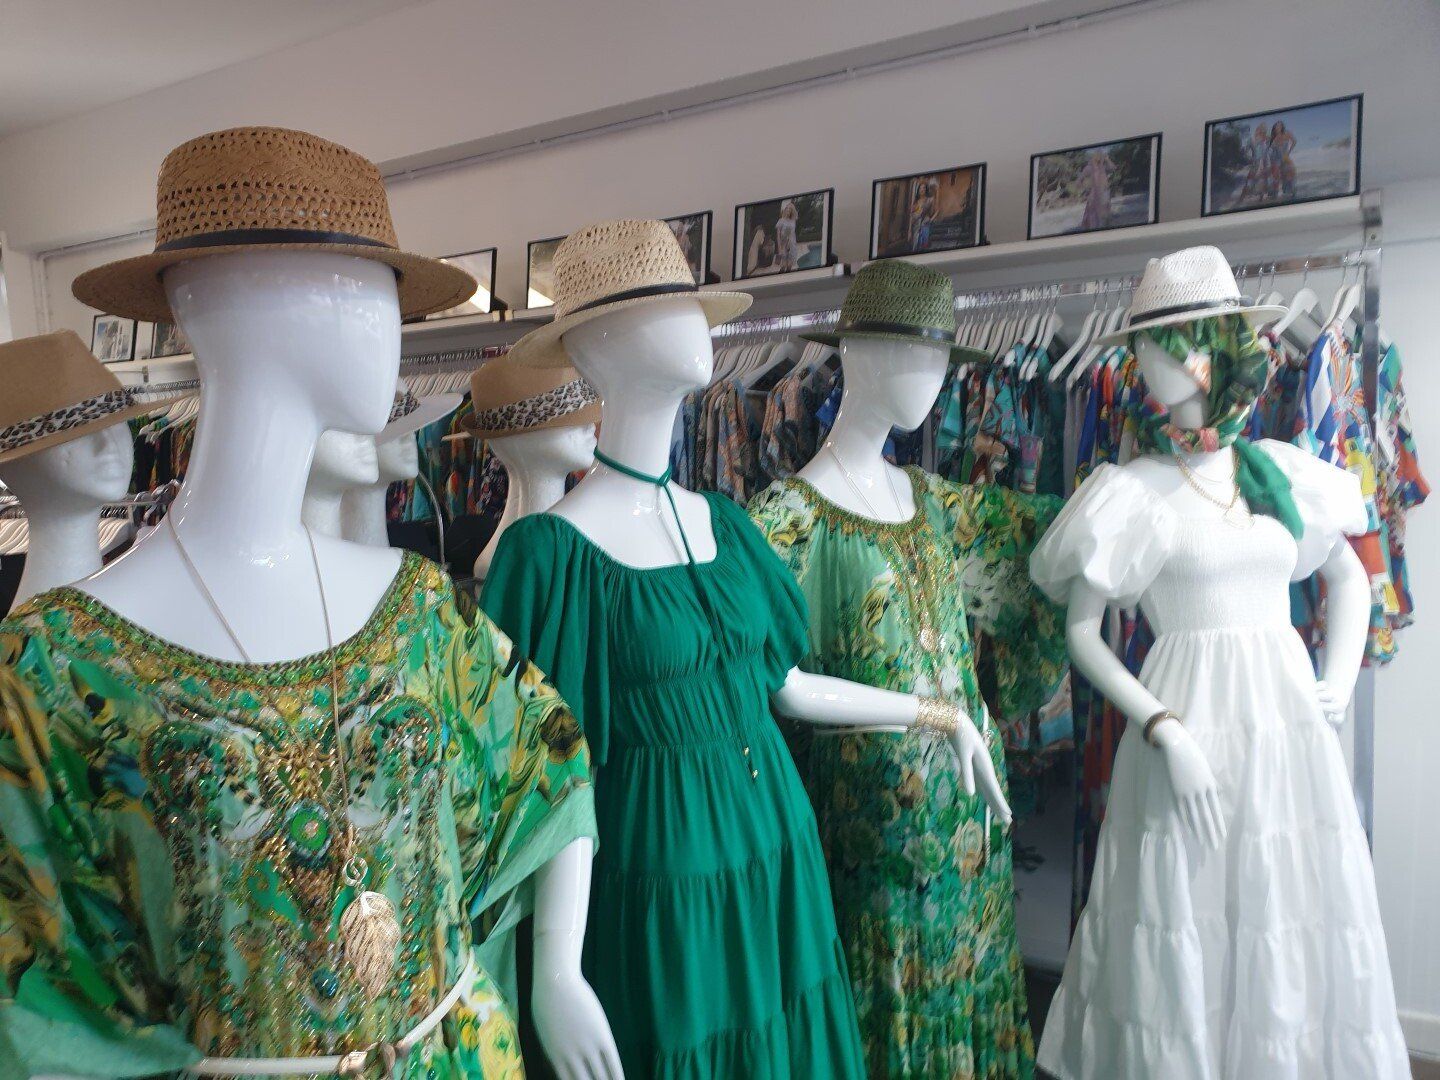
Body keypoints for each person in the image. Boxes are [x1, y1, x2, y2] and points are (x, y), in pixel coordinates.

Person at [1080, 149, 1113, 231]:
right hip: (1094, 192)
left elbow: (1112, 168)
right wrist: (1085, 189)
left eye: (1101, 156)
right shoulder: (1089, 168)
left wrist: (1107, 159)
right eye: (1098, 155)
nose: (1100, 157)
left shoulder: (1103, 166)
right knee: (1093, 212)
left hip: (1104, 191)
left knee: (1106, 212)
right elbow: (1080, 179)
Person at [1270, 119, 1298, 198]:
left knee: (1290, 171)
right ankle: (1277, 192)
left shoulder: (1287, 133)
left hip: (1285, 156)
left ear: (1282, 127)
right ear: (1275, 128)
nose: (1278, 128)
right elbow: (1270, 149)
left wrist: (1289, 151)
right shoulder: (1273, 137)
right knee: (1278, 175)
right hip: (1275, 158)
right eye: (1276, 126)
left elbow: (1294, 141)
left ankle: (1292, 191)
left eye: (1279, 126)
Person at [775, 198, 800, 272]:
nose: (788, 210)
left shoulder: (793, 221)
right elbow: (778, 236)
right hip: (783, 244)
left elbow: (791, 233)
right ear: (785, 209)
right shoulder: (781, 221)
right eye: (787, 208)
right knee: (783, 266)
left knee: (789, 267)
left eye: (790, 209)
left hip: (792, 244)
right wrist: (779, 247)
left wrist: (790, 242)